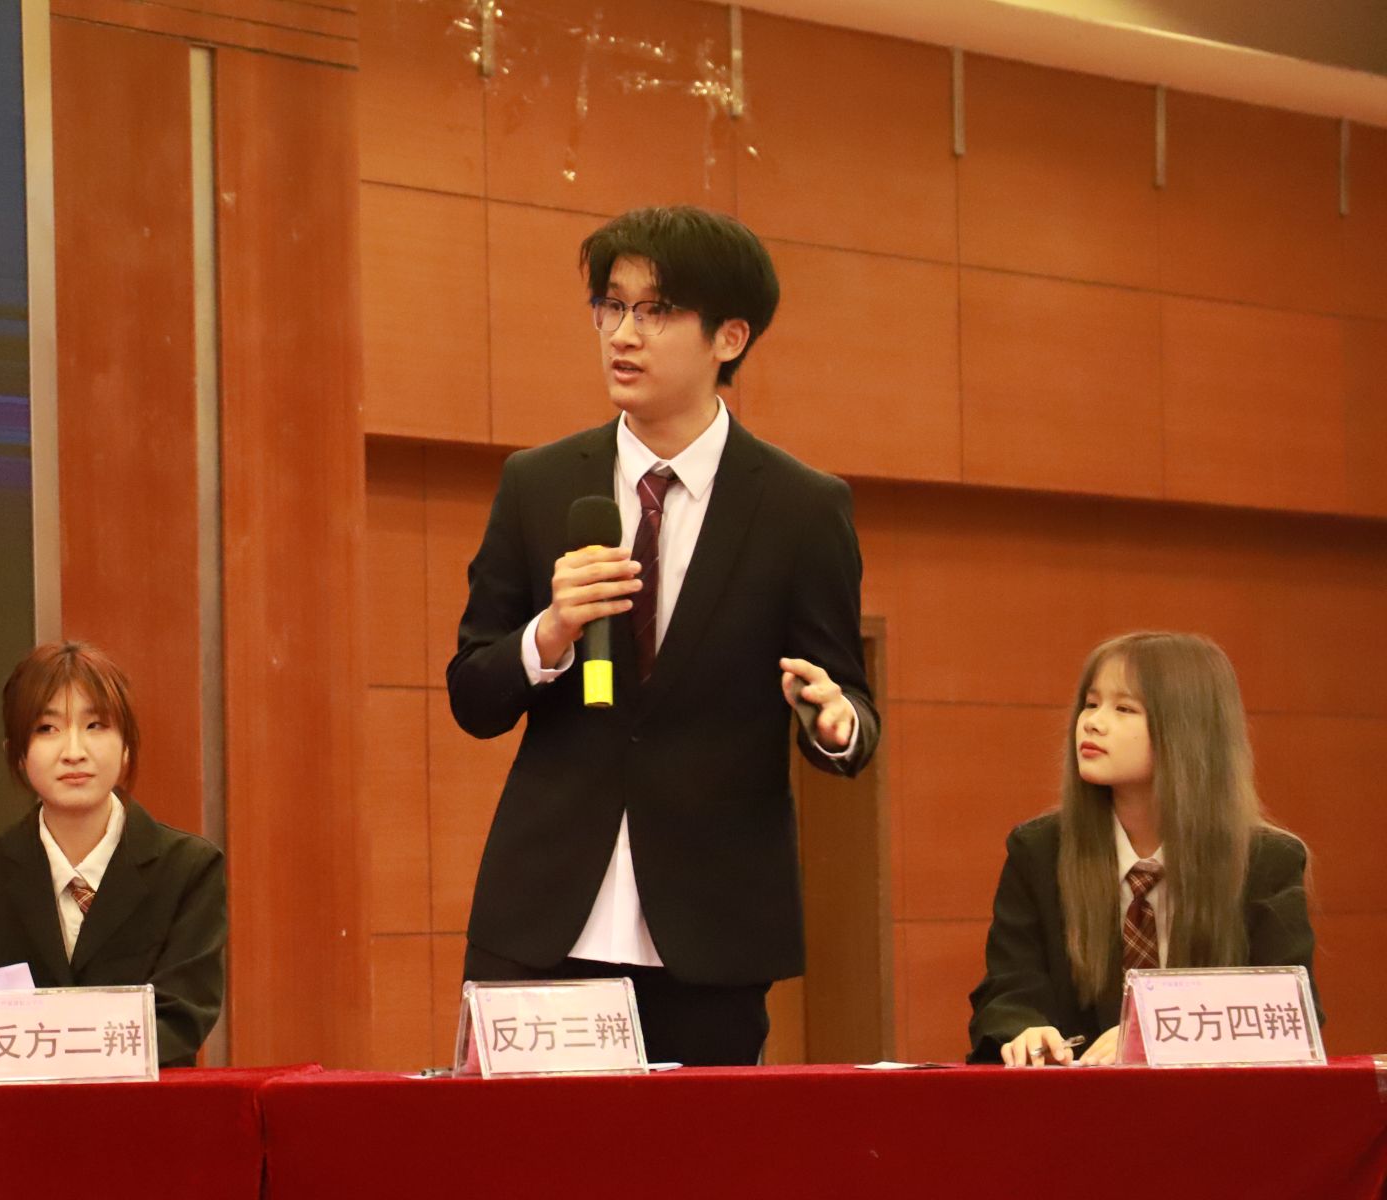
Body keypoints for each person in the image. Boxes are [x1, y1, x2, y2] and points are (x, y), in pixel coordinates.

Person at [448, 205, 879, 1067]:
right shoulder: (538, 483)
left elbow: (849, 706)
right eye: (611, 306)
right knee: (519, 1150)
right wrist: (549, 633)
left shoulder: (801, 507)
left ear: (729, 336)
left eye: (656, 310)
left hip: (710, 927)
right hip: (541, 917)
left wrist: (836, 723)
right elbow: (472, 692)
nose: (624, 333)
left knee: (695, 1156)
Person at [968, 632, 1316, 1066]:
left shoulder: (1267, 861)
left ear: (1187, 730)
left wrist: (1156, 1032)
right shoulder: (1039, 851)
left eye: (1124, 709)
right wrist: (1023, 1030)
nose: (1092, 723)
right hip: (1076, 1100)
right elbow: (1007, 991)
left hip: (1213, 1102)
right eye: (1091, 704)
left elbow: (1286, 1010)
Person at [0, 642, 225, 1077]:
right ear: (17, 753)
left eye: (95, 725)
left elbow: (181, 1021)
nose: (74, 751)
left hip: (141, 1109)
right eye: (47, 729)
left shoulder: (188, 868)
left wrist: (53, 1046)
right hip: (15, 1114)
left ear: (126, 746)